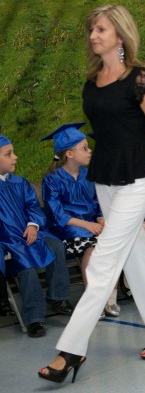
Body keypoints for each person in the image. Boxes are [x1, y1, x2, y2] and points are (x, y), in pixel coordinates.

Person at [39, 5, 145, 384]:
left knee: (103, 261)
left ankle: (71, 349)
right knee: (134, 255)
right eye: (91, 30)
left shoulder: (141, 80)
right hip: (105, 178)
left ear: (120, 35)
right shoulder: (92, 82)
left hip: (138, 178)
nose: (93, 36)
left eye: (101, 30)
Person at [41, 123, 122, 318]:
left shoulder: (89, 175)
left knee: (113, 243)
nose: (89, 151)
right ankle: (92, 301)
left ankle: (110, 299)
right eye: (84, 148)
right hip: (66, 231)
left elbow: (96, 202)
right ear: (69, 154)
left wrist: (100, 217)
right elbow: (57, 215)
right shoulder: (52, 179)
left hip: (90, 227)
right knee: (93, 246)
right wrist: (87, 224)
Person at [0, 134, 74, 338]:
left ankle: (57, 297)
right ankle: (34, 318)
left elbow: (33, 207)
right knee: (27, 267)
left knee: (56, 245)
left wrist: (33, 225)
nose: (15, 157)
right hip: (8, 241)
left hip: (30, 233)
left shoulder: (19, 182)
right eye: (8, 154)